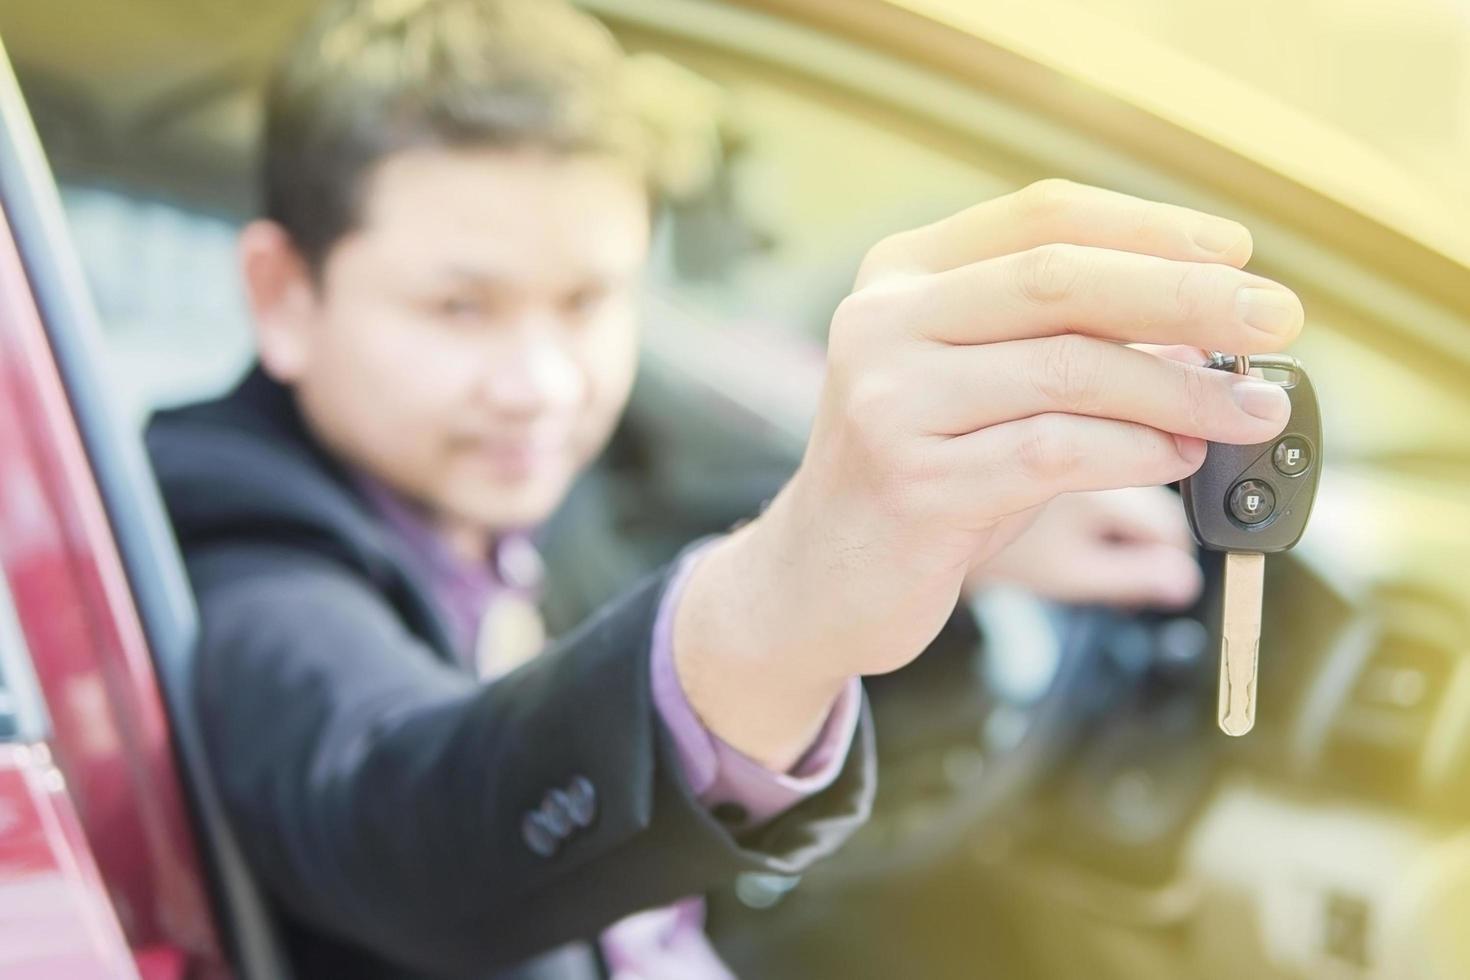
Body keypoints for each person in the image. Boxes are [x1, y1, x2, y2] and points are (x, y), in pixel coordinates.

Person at [144, 0, 1303, 977]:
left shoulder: (562, 473)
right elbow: (411, 816)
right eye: (460, 306)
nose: (541, 384)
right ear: (284, 295)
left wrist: (967, 533)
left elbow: (752, 492)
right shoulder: (228, 529)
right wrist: (791, 587)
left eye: (590, 301)